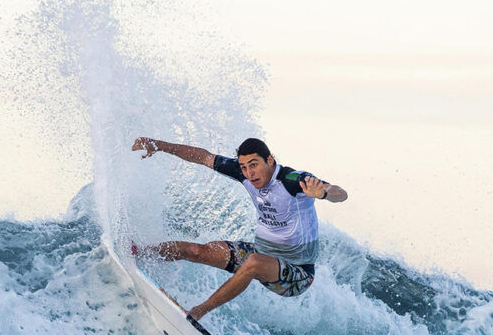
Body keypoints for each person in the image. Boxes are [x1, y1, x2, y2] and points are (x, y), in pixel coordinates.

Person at [131, 136, 348, 320]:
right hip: (263, 254)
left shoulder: (293, 180)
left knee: (253, 263)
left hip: (297, 274)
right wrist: (158, 145)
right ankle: (138, 252)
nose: (249, 173)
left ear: (270, 160)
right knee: (197, 251)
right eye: (244, 167)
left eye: (254, 164)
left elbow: (340, 193)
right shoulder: (243, 173)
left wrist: (324, 194)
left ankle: (197, 313)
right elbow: (204, 156)